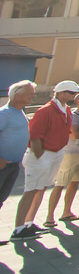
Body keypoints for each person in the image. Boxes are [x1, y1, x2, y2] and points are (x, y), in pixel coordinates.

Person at [16, 80, 79, 237]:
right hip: (43, 154)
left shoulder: (65, 109)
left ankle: (29, 223)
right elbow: (34, 135)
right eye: (71, 93)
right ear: (60, 93)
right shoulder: (45, 110)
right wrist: (40, 156)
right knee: (30, 190)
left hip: (55, 153)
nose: (74, 96)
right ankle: (19, 227)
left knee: (41, 188)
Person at [43, 90, 79, 225]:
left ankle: (66, 212)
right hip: (70, 153)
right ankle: (49, 217)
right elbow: (74, 135)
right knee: (60, 184)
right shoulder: (73, 115)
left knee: (75, 182)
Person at [0, 81, 36, 243]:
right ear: (17, 95)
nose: (33, 96)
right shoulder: (5, 113)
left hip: (12, 164)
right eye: (30, 93)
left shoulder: (18, 112)